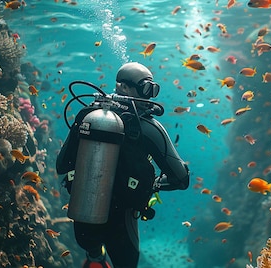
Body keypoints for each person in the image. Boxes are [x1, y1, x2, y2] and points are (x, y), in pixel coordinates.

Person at [56, 62, 190, 268]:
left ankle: (95, 258)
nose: (149, 97)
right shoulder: (148, 128)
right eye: (146, 89)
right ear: (124, 88)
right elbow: (181, 179)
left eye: (152, 89)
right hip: (122, 220)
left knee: (92, 248)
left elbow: (62, 165)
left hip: (85, 219)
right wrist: (152, 185)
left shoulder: (89, 116)